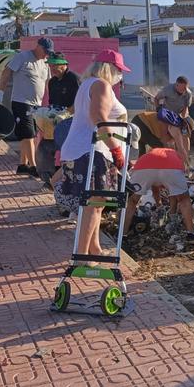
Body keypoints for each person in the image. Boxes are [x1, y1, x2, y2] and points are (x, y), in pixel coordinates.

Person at [55, 49, 133, 256]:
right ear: (110, 69)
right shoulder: (101, 85)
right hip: (91, 152)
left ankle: (94, 249)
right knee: (93, 204)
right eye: (119, 71)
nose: (120, 76)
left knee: (95, 205)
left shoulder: (87, 84)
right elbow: (99, 118)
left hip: (79, 151)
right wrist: (116, 150)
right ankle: (82, 254)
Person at [0, 37, 52, 176]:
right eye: (45, 51)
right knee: (28, 135)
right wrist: (0, 93)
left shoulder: (45, 62)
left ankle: (22, 165)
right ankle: (33, 167)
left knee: (28, 135)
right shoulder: (22, 57)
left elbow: (48, 82)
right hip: (21, 102)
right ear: (38, 46)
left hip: (36, 105)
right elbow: (6, 72)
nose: (46, 54)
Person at [124, 147, 194, 241]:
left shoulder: (151, 153)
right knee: (184, 200)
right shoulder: (176, 156)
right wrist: (172, 213)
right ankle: (191, 233)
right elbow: (173, 192)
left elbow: (154, 185)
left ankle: (123, 234)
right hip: (171, 167)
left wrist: (160, 206)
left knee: (132, 200)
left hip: (144, 166)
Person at [155, 76, 193, 165]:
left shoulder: (188, 93)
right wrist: (158, 108)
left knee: (185, 134)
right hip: (167, 114)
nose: (184, 90)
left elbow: (186, 107)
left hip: (179, 114)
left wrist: (183, 118)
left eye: (185, 88)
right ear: (176, 85)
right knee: (164, 134)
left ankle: (185, 158)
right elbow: (156, 98)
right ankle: (168, 158)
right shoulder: (167, 89)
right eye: (182, 88)